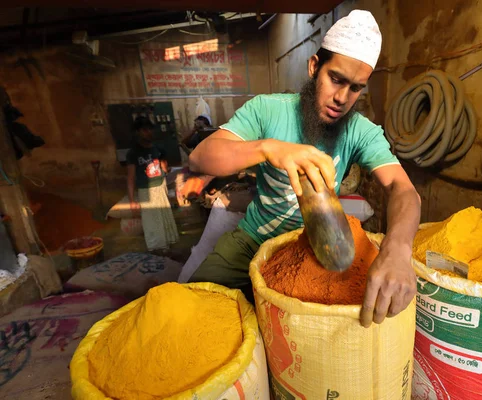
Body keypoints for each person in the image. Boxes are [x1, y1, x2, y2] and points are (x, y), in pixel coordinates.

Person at [188, 10, 420, 328]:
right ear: (314, 67)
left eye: (355, 88)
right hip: (252, 240)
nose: (341, 97)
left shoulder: (361, 131)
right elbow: (200, 158)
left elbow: (401, 188)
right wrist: (268, 148)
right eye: (335, 79)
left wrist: (398, 248)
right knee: (192, 307)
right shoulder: (267, 110)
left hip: (313, 247)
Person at [127, 116, 179, 252]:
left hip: (161, 187)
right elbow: (131, 177)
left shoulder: (158, 149)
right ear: (138, 132)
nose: (149, 132)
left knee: (164, 217)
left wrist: (167, 171)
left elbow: (164, 167)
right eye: (145, 130)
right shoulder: (133, 153)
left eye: (150, 129)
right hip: (146, 191)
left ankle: (167, 246)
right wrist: (132, 200)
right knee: (152, 222)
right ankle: (156, 249)